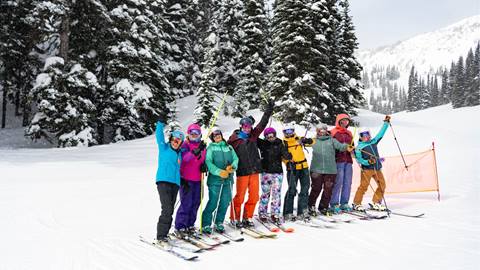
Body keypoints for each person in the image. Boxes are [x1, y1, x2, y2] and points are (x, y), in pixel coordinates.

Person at [228, 100, 274, 228]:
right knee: (240, 197)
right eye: (244, 126)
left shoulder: (253, 136)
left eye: (249, 126)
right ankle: (235, 217)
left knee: (254, 196)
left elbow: (262, 123)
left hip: (254, 171)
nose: (247, 128)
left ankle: (247, 217)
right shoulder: (234, 140)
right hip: (242, 172)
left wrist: (269, 110)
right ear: (241, 126)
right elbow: (225, 152)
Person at [308, 125, 354, 216]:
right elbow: (303, 142)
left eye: (324, 130)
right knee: (316, 188)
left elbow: (340, 146)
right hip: (316, 169)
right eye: (320, 130)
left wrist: (347, 147)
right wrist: (302, 140)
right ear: (317, 131)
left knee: (328, 190)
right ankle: (310, 206)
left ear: (326, 131)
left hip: (330, 170)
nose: (322, 132)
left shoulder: (332, 140)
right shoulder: (314, 140)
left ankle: (323, 207)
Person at [154, 115, 185, 245]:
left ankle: (165, 234)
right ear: (170, 139)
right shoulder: (164, 148)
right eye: (174, 139)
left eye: (178, 140)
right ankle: (161, 236)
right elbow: (159, 136)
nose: (175, 142)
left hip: (175, 184)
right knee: (166, 208)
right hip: (163, 181)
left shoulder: (180, 154)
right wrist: (160, 123)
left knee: (170, 209)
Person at [201, 129, 239, 234]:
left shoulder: (229, 147)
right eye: (214, 135)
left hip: (228, 180)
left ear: (221, 135)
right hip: (215, 180)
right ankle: (206, 223)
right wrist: (218, 172)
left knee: (225, 202)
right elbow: (208, 162)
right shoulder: (211, 148)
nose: (217, 136)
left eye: (218, 134)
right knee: (213, 202)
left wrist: (233, 167)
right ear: (212, 138)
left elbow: (235, 159)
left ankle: (219, 222)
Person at [352, 115, 391, 212]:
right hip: (367, 170)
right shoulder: (359, 147)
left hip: (377, 168)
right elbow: (359, 160)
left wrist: (386, 123)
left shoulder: (374, 141)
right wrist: (368, 161)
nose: (366, 137)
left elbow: (381, 133)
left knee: (382, 185)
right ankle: (356, 203)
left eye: (367, 134)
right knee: (364, 186)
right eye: (363, 135)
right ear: (360, 137)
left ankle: (376, 202)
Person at [174, 123, 206, 236]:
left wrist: (204, 165)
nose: (194, 136)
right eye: (191, 133)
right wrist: (195, 152)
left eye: (196, 134)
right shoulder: (184, 145)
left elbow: (202, 159)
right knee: (186, 203)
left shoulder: (202, 146)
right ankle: (180, 226)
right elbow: (185, 159)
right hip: (186, 179)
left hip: (198, 179)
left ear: (200, 135)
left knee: (196, 203)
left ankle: (190, 225)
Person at [257, 127, 291, 224]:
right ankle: (262, 212)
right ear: (265, 136)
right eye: (268, 135)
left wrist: (288, 155)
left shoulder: (280, 143)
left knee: (276, 193)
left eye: (272, 135)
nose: (271, 137)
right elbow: (253, 137)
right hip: (266, 172)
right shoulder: (262, 143)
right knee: (265, 193)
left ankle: (275, 213)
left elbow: (285, 154)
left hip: (277, 172)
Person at [282, 124, 315, 221]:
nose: (289, 133)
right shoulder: (283, 143)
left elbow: (313, 142)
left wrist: (306, 140)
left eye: (290, 131)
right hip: (292, 168)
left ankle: (302, 211)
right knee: (292, 189)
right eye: (287, 131)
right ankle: (288, 212)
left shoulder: (299, 139)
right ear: (284, 133)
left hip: (303, 167)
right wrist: (287, 161)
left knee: (305, 188)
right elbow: (282, 155)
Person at [329, 114, 355, 214]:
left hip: (348, 160)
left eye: (347, 121)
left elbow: (352, 146)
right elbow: (330, 145)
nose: (345, 122)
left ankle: (344, 203)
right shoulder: (333, 132)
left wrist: (353, 151)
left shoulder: (349, 133)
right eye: (343, 121)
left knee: (347, 182)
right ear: (339, 121)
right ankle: (334, 203)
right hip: (338, 160)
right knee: (338, 182)